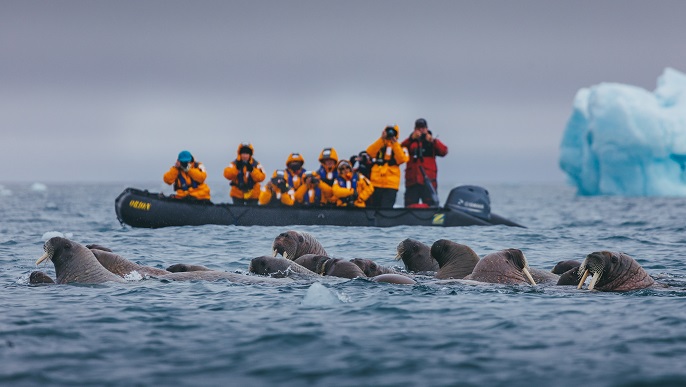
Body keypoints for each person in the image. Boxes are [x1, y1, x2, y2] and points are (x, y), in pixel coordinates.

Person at [401, 118, 448, 207]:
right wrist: (411, 139)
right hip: (412, 181)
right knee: (409, 207)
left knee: (431, 206)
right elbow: (399, 150)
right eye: (418, 128)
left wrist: (433, 141)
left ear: (426, 129)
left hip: (428, 181)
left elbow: (444, 151)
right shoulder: (410, 143)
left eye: (423, 128)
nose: (421, 130)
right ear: (415, 129)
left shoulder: (432, 142)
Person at [365, 124, 409, 207]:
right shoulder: (380, 145)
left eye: (393, 132)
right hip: (376, 183)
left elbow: (402, 159)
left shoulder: (401, 147)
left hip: (391, 185)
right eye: (389, 131)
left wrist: (394, 143)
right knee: (374, 208)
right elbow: (369, 153)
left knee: (386, 210)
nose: (390, 134)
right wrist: (381, 139)